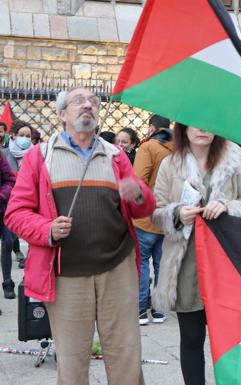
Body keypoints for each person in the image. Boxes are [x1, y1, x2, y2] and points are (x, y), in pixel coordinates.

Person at [5, 87, 155, 385]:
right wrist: (46, 229)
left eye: (93, 102)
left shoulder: (116, 156)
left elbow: (144, 209)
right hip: (66, 275)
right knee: (72, 361)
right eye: (78, 101)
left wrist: (138, 194)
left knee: (126, 355)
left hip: (117, 269)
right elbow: (15, 213)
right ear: (62, 114)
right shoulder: (40, 156)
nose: (88, 105)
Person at [152, 123, 241, 385]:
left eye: (209, 123)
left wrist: (226, 206)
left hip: (227, 263)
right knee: (191, 338)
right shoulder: (170, 164)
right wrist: (177, 213)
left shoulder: (236, 160)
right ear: (183, 128)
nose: (203, 129)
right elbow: (155, 212)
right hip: (186, 262)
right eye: (195, 123)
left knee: (232, 341)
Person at [132, 114, 173, 325]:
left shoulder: (148, 148)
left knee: (142, 264)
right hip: (169, 218)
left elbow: (138, 180)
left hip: (146, 217)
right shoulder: (179, 150)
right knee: (162, 265)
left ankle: (140, 310)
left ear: (151, 128)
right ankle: (159, 310)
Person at [5, 120, 33, 268]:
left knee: (31, 230)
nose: (25, 139)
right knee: (10, 232)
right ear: (13, 136)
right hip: (8, 199)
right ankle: (17, 253)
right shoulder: (5, 154)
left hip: (30, 199)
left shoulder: (36, 154)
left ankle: (28, 257)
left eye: (28, 136)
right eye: (22, 135)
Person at [0, 152, 16, 299]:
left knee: (9, 242)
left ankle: (7, 281)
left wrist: (2, 195)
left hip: (2, 208)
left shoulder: (1, 157)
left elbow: (10, 180)